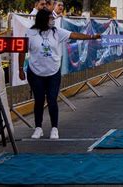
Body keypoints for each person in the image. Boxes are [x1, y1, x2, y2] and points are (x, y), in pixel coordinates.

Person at [18, 9, 101, 139]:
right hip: (35, 72)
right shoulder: (30, 33)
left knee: (52, 100)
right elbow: (22, 51)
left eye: (53, 18)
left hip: (53, 72)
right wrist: (20, 69)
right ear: (43, 19)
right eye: (50, 18)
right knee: (39, 100)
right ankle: (38, 128)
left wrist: (91, 37)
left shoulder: (56, 32)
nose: (52, 20)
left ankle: (54, 128)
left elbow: (74, 35)